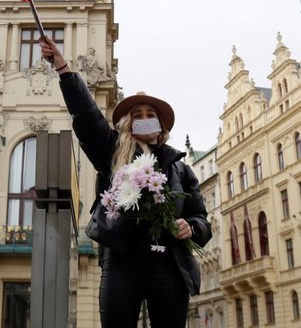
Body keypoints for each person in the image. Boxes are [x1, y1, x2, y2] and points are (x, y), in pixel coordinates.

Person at [40, 37, 211, 328]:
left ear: (161, 126)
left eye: (151, 115)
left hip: (168, 267)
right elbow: (87, 116)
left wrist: (191, 227)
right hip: (121, 265)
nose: (144, 119)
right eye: (138, 116)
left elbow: (202, 220)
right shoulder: (112, 153)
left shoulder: (181, 169)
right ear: (128, 124)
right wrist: (64, 70)